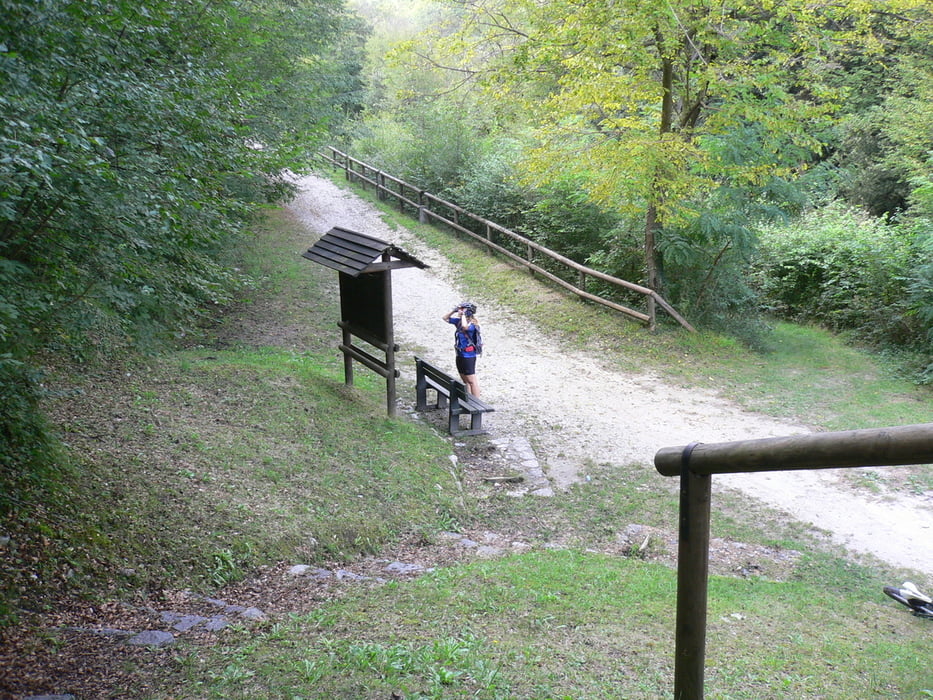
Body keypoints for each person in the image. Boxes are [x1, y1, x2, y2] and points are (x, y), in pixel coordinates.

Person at [442, 301, 481, 397]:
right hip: (459, 354)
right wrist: (453, 311)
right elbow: (445, 318)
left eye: (463, 309)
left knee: (471, 380)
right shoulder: (459, 322)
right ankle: (467, 399)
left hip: (469, 355)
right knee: (465, 380)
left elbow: (465, 327)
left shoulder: (473, 325)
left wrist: (462, 315)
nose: (460, 311)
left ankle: (476, 401)